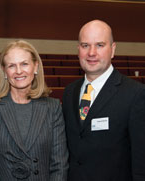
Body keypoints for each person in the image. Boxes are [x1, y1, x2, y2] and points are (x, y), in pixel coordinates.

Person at [62, 19, 145, 181]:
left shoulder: (136, 94)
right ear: (78, 49)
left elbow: (141, 160)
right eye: (85, 45)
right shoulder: (69, 92)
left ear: (113, 50)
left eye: (100, 45)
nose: (91, 53)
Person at [0, 40, 69, 180]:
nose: (19, 71)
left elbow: (59, 164)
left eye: (24, 64)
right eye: (12, 65)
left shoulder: (53, 107)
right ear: (4, 71)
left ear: (35, 66)